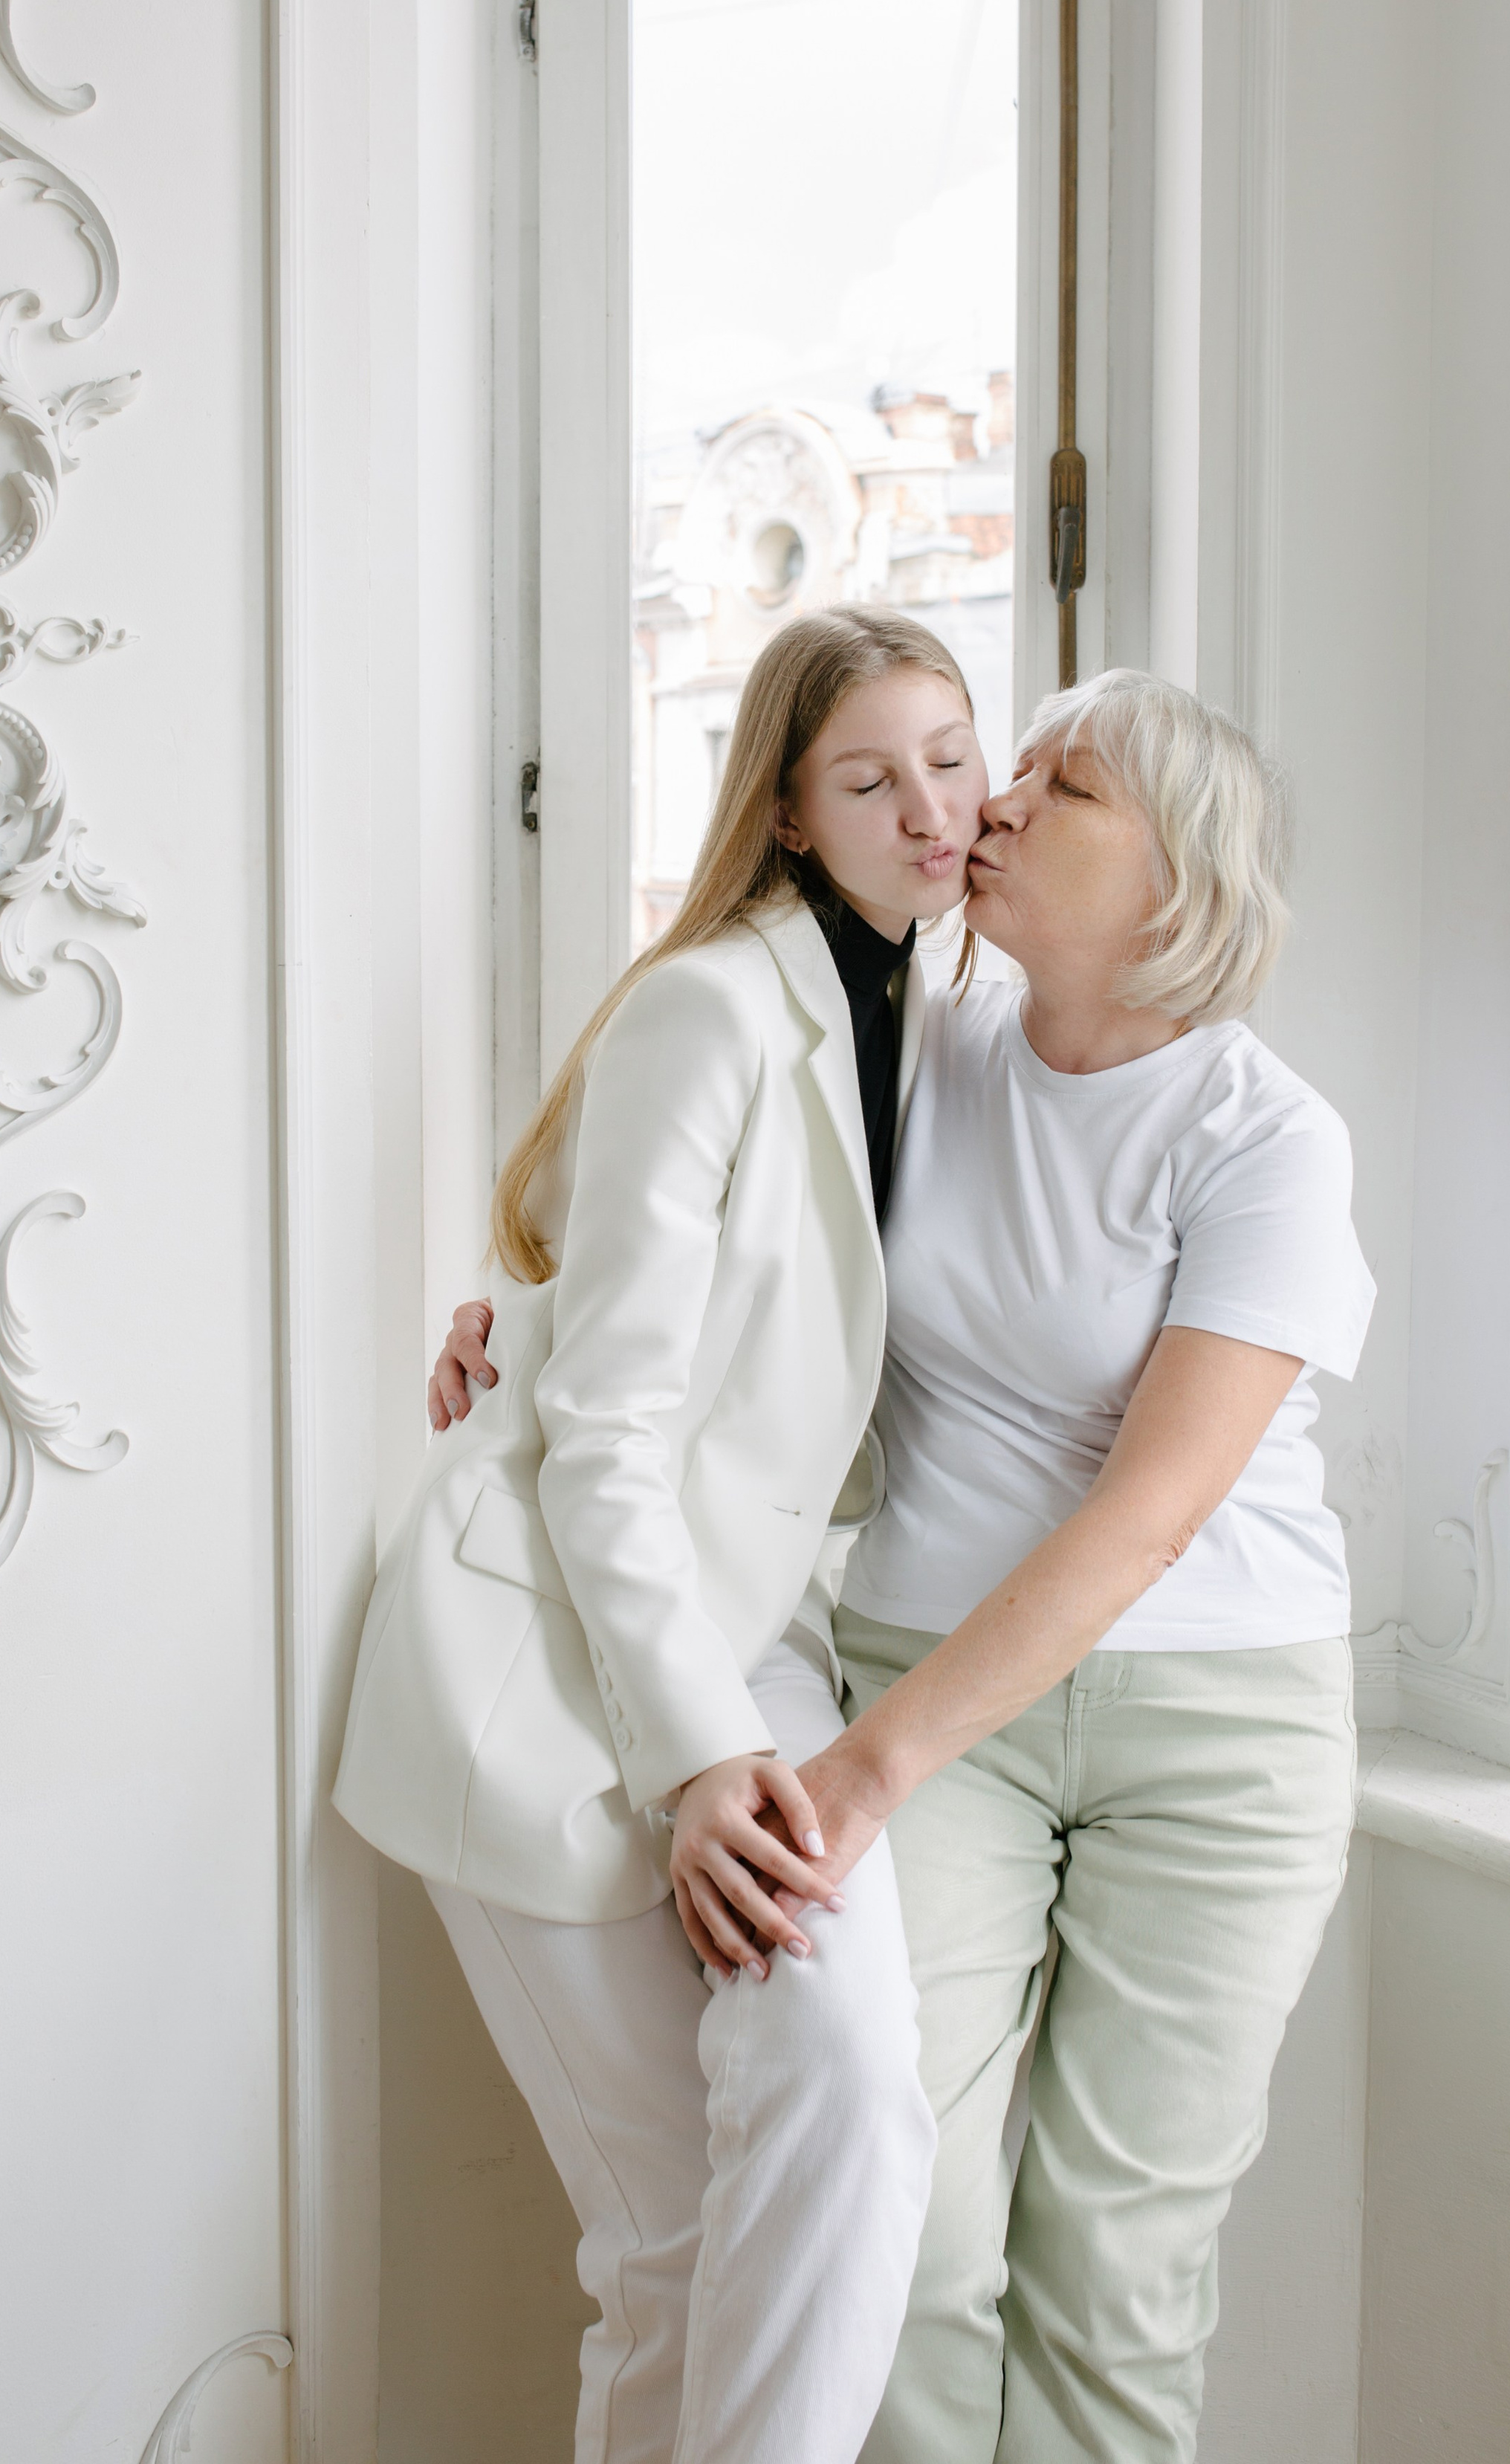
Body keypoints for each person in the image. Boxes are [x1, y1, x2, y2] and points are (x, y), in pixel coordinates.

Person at [438, 667, 1375, 2464]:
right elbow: (690, 1252)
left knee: (1117, 2270)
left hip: (1216, 1731)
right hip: (941, 1691)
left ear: (1174, 876)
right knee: (905, 2240)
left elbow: (1146, 1512)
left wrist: (860, 1767)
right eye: (999, 768)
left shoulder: (1264, 1138)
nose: (993, 802)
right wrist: (521, 1335)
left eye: (1060, 785)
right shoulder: (911, 1052)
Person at [334, 607, 988, 2464]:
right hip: (537, 1653)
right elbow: (605, 1437)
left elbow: (563, 1236)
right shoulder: (715, 1001)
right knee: (672, 2237)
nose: (926, 808)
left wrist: (503, 1303)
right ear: (786, 812)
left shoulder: (942, 1009)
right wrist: (708, 1763)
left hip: (753, 1632)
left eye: (951, 754)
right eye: (867, 778)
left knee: (850, 2102)